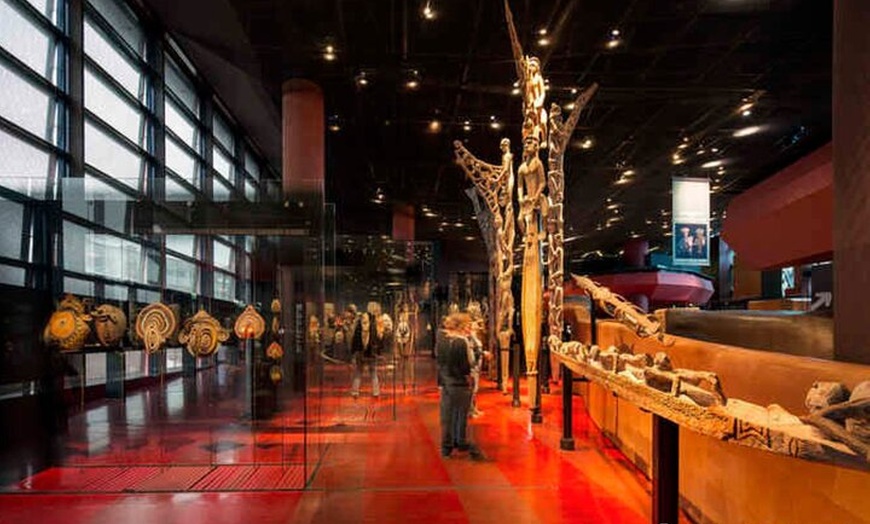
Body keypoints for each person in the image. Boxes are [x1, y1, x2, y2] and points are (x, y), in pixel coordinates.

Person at [436, 312, 483, 460]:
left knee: (447, 416)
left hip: (446, 381)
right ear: (461, 326)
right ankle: (461, 442)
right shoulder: (461, 342)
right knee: (461, 416)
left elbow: (440, 362)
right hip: (460, 382)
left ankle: (446, 448)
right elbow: (467, 365)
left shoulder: (441, 339)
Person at [350, 312, 382, 398]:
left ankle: (376, 392)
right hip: (360, 354)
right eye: (363, 319)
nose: (364, 322)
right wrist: (354, 354)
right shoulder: (358, 330)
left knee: (373, 373)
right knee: (358, 373)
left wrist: (377, 353)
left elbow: (377, 343)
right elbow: (354, 343)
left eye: (366, 320)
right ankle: (355, 392)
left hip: (371, 355)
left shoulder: (373, 330)